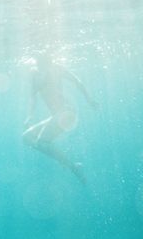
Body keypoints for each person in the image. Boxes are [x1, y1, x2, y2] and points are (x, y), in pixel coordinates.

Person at [22, 50, 98, 184]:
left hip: (67, 113)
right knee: (27, 137)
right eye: (40, 63)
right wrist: (29, 117)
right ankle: (71, 164)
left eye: (45, 62)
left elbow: (77, 82)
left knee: (41, 142)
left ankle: (73, 166)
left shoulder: (57, 70)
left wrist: (89, 100)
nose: (42, 66)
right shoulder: (35, 76)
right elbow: (32, 98)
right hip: (56, 116)